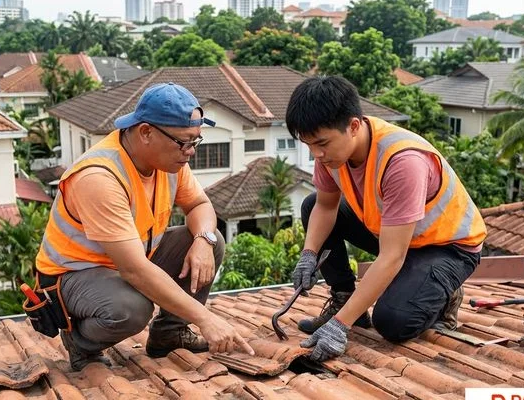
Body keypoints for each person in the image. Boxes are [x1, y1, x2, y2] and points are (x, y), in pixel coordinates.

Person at [35, 82, 254, 371]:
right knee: (133, 309)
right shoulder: (100, 178)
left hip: (130, 258)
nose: (190, 152)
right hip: (73, 274)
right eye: (183, 142)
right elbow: (134, 270)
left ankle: (169, 334)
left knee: (210, 241)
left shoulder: (170, 161)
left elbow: (200, 206)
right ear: (146, 132)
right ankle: (81, 343)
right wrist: (206, 319)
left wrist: (203, 240)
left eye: (195, 141)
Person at [286, 76, 487, 362]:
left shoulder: (403, 161)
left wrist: (338, 329)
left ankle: (445, 294)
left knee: (394, 322)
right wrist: (308, 254)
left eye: (322, 143)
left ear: (353, 126)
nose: (316, 154)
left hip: (447, 248)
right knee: (310, 205)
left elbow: (392, 256)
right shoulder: (329, 156)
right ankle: (343, 300)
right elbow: (325, 207)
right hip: (395, 232)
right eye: (308, 145)